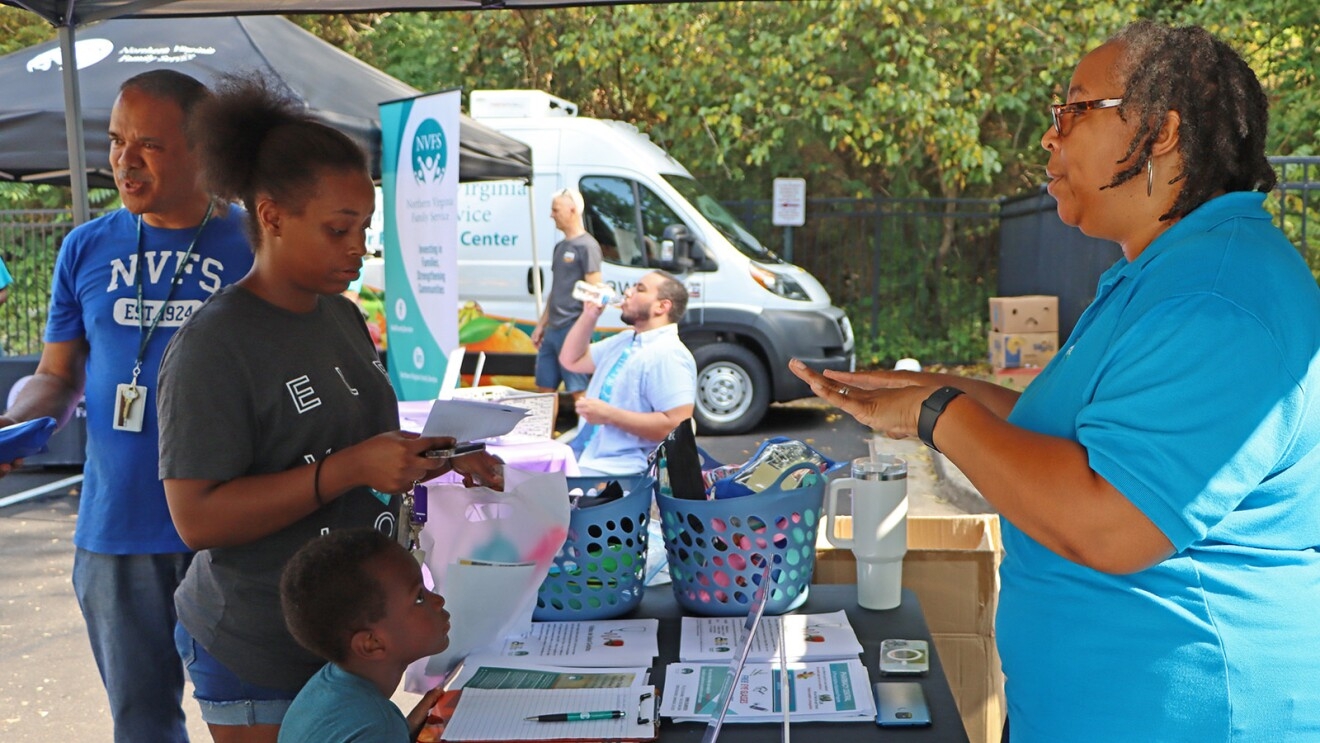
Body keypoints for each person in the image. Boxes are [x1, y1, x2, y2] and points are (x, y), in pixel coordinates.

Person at [791, 21, 1320, 741]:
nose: (1052, 136)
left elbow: (1109, 520)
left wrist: (938, 411)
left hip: (1185, 715)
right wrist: (924, 393)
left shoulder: (1215, 300)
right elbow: (1068, 433)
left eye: (1074, 110)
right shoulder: (1163, 272)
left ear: (1161, 132)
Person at [156, 74, 502, 743]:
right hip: (258, 646)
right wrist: (346, 469)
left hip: (346, 640)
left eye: (364, 228)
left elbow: (354, 444)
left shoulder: (340, 317)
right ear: (272, 215)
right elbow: (195, 517)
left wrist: (433, 457)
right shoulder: (214, 344)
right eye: (339, 228)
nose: (357, 249)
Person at [0, 70, 253, 741]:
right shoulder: (85, 247)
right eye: (115, 141)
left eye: (148, 144)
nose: (122, 160)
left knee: (254, 722)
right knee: (141, 725)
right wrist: (16, 422)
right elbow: (57, 376)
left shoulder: (261, 244)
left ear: (202, 148)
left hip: (233, 531)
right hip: (117, 531)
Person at [277, 528, 449, 743]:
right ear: (372, 644)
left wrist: (405, 729)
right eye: (419, 597)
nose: (438, 600)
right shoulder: (377, 726)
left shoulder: (325, 687)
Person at [560, 269, 695, 476]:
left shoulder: (669, 354)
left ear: (662, 306)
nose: (628, 292)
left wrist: (609, 415)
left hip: (622, 472)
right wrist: (590, 315)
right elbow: (571, 360)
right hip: (586, 458)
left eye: (639, 289)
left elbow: (677, 427)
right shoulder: (625, 339)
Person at [530, 188, 602, 416]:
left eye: (555, 210)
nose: (551, 215)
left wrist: (582, 331)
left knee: (578, 391)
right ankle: (543, 442)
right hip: (553, 329)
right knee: (544, 391)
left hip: (572, 328)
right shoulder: (560, 247)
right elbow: (556, 289)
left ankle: (588, 440)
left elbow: (594, 292)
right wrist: (542, 325)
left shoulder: (587, 247)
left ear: (572, 210)